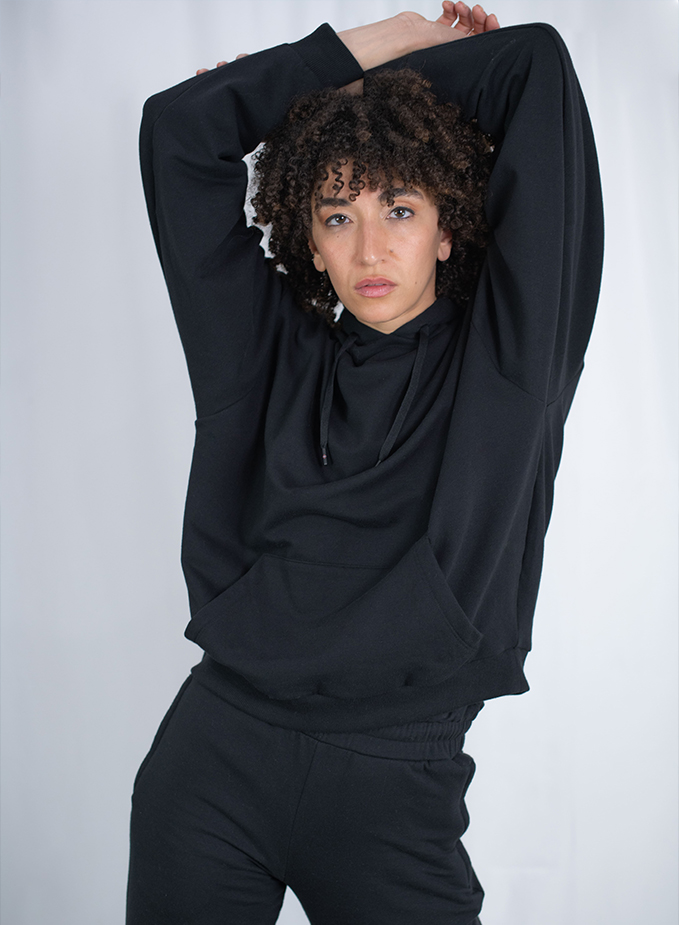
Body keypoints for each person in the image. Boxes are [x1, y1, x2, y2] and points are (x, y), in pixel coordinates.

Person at [127, 2, 603, 922]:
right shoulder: (264, 356)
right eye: (337, 213)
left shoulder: (509, 362)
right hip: (212, 765)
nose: (370, 247)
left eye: (400, 208)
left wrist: (370, 84)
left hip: (393, 793)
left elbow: (534, 68)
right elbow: (178, 131)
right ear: (309, 239)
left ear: (448, 227)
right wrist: (376, 45)